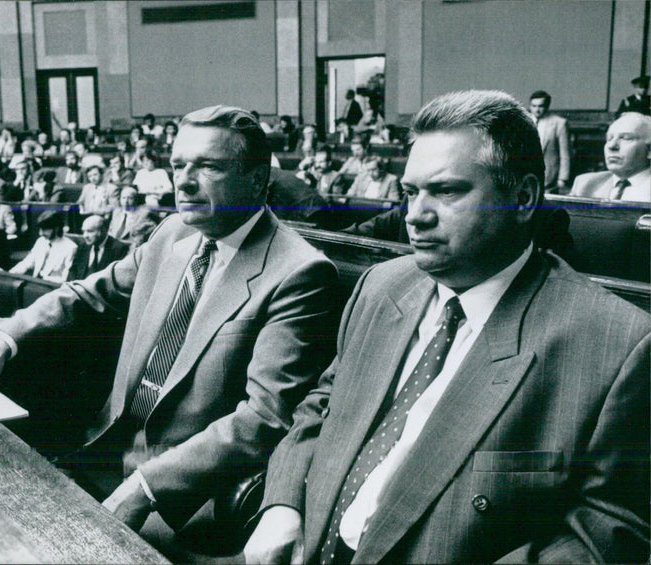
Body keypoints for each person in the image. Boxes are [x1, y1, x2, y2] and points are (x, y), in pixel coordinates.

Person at [245, 90, 650, 565]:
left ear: (522, 198)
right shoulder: (382, 285)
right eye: (410, 192)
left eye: (447, 191)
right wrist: (282, 503)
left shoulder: (620, 345)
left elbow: (607, 528)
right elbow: (323, 404)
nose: (415, 215)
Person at [0, 105, 337, 550]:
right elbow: (86, 294)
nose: (185, 181)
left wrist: (147, 486)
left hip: (184, 498)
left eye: (209, 166)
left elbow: (263, 418)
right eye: (178, 165)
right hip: (102, 447)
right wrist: (1, 344)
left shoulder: (300, 273)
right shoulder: (173, 231)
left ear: (257, 179)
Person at [571, 112, 651, 202]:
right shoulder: (585, 184)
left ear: (649, 150)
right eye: (609, 138)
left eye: (626, 138)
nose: (612, 146)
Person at [8, 210, 77, 282]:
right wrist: (10, 274)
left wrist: (45, 278)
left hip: (53, 288)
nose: (40, 233)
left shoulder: (70, 248)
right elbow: (27, 263)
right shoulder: (41, 241)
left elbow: (67, 280)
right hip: (35, 285)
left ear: (56, 228)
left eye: (44, 229)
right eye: (40, 229)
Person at [529, 90, 570, 192]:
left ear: (547, 106)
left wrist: (562, 178)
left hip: (549, 178)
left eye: (540, 106)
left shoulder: (559, 123)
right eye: (534, 106)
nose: (537, 110)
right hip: (527, 175)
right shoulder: (523, 121)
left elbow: (565, 153)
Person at [68, 215, 129, 281]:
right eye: (83, 231)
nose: (85, 236)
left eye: (90, 231)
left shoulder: (118, 248)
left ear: (104, 230)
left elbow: (115, 279)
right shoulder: (83, 246)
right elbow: (73, 270)